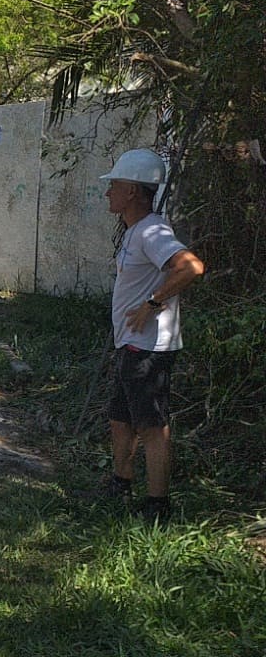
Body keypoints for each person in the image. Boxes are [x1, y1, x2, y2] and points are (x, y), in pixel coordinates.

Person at [99, 149, 204, 521]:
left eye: (114, 185)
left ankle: (158, 505)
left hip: (148, 349)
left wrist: (151, 303)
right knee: (120, 419)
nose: (108, 191)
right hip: (132, 345)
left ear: (133, 191)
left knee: (152, 427)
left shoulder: (153, 230)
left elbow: (192, 267)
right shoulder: (135, 231)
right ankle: (120, 482)